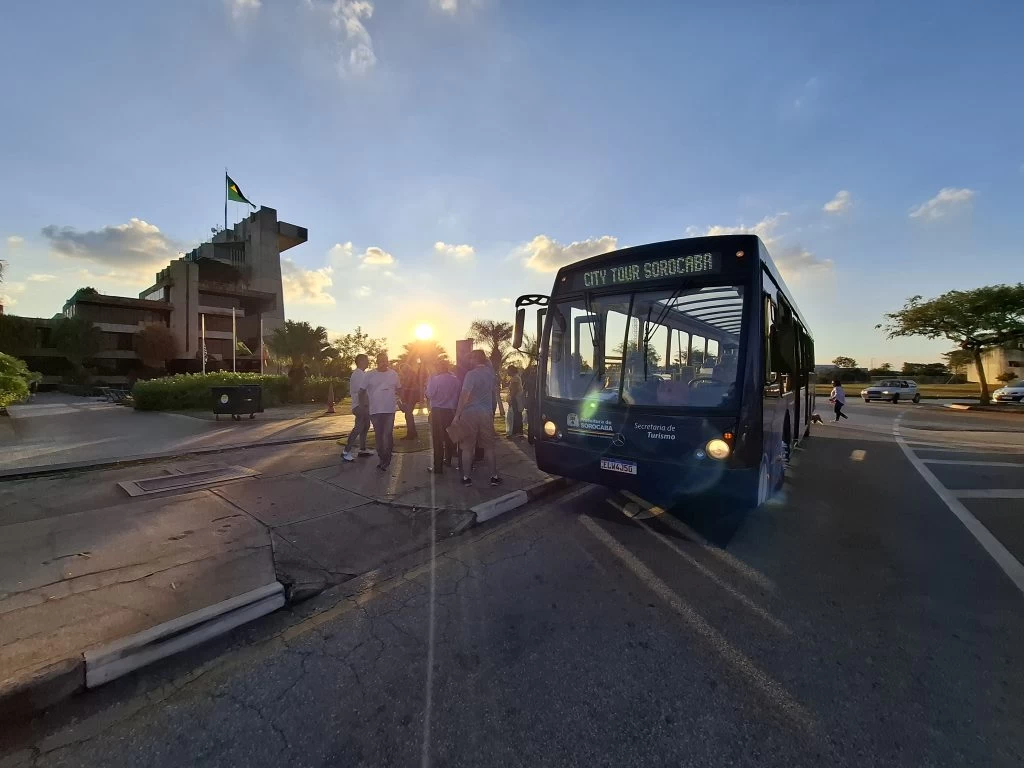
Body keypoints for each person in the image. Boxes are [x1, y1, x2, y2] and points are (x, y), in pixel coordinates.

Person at [455, 349, 501, 487]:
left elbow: (464, 396)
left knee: (467, 447)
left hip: (470, 414)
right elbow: (491, 369)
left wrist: (457, 414)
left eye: (471, 358)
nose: (469, 361)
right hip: (486, 413)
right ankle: (494, 476)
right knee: (489, 447)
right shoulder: (490, 374)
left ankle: (466, 478)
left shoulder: (471, 375)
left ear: (475, 359)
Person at [365, 352, 400, 471]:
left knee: (388, 434)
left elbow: (399, 389)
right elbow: (361, 391)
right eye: (381, 360)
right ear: (377, 362)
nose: (384, 363)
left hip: (389, 410)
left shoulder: (393, 374)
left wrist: (401, 402)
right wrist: (363, 405)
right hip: (375, 411)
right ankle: (382, 457)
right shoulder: (369, 375)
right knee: (379, 435)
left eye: (386, 360)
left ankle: (387, 459)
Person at [425, 359, 460, 474]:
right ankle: (448, 459)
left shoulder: (435, 379)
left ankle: (438, 466)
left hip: (438, 411)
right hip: (451, 411)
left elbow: (429, 394)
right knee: (449, 437)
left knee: (437, 440)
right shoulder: (455, 380)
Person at [341, 353, 373, 461]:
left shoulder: (362, 374)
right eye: (366, 360)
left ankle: (362, 449)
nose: (368, 362)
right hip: (360, 405)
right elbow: (361, 392)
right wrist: (364, 406)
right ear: (360, 361)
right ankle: (346, 451)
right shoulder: (358, 374)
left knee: (365, 426)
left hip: (364, 405)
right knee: (358, 428)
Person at [398, 362, 420, 440]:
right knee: (408, 415)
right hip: (409, 397)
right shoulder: (408, 375)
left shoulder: (411, 375)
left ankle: (411, 433)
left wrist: (404, 387)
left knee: (408, 414)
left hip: (412, 397)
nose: (403, 371)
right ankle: (412, 432)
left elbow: (413, 386)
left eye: (404, 369)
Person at [522, 361, 539, 444]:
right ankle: (536, 437)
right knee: (536, 420)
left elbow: (524, 390)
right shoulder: (542, 377)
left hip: (531, 401)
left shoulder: (530, 378)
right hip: (537, 401)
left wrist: (525, 401)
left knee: (531, 421)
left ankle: (531, 439)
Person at [505, 364, 523, 437]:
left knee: (516, 415)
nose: (507, 372)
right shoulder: (515, 377)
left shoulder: (515, 378)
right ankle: (517, 431)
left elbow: (514, 390)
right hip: (516, 399)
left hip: (516, 399)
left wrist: (511, 399)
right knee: (516, 414)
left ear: (511, 370)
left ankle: (516, 432)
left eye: (508, 370)